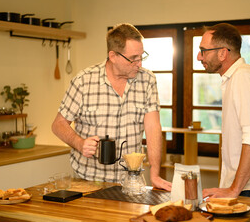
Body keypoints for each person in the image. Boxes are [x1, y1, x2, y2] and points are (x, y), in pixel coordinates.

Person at [51, 23, 172, 191]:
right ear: (113, 56)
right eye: (133, 58)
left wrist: (155, 175)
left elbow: (153, 127)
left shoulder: (147, 80)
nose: (139, 63)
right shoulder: (84, 81)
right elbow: (58, 124)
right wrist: (79, 143)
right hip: (88, 181)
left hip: (131, 181)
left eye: (141, 56)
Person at [199, 23, 250, 199]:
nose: (199, 56)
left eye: (203, 50)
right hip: (246, 186)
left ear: (222, 53)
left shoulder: (243, 77)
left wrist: (234, 189)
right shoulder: (237, 77)